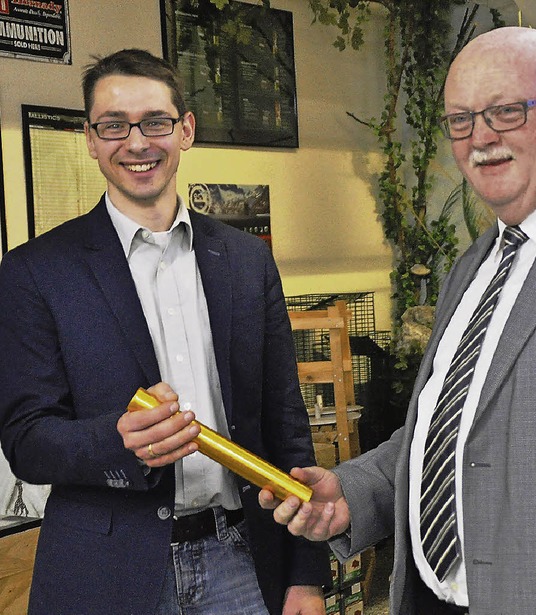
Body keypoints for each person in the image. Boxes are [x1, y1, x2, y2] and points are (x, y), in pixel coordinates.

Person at [260, 26, 536, 615]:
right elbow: (453, 431)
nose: (480, 137)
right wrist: (352, 494)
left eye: (506, 111)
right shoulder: (474, 263)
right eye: (460, 120)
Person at [0, 49, 329, 615]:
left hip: (241, 563)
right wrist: (118, 440)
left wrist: (306, 575)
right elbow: (27, 443)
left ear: (185, 130)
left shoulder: (248, 262)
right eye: (113, 125)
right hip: (106, 576)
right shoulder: (35, 272)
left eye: (155, 122)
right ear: (90, 137)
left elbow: (286, 426)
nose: (136, 142)